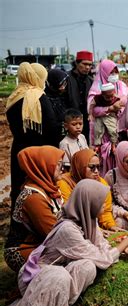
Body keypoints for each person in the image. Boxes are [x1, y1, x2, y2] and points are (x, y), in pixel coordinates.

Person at [0, 180, 128, 306]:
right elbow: (103, 258)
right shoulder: (68, 230)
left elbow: (101, 249)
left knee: (88, 266)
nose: (105, 206)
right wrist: (127, 241)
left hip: (61, 271)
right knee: (61, 276)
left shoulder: (89, 220)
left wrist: (121, 251)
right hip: (39, 279)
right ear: (88, 203)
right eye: (101, 202)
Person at [3, 146, 64, 272]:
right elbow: (53, 232)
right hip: (23, 249)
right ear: (44, 167)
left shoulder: (49, 188)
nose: (62, 169)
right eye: (58, 165)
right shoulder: (33, 197)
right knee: (68, 258)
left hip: (41, 242)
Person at [6, 62, 59, 205]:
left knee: (19, 186)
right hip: (38, 151)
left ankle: (18, 221)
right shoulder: (39, 97)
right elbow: (52, 126)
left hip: (19, 148)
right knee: (38, 188)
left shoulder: (14, 96)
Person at [57, 149, 122, 232]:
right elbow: (69, 214)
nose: (96, 171)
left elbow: (105, 211)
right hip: (72, 229)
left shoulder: (101, 183)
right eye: (92, 167)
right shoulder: (64, 183)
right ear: (80, 166)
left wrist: (111, 226)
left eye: (98, 167)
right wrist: (96, 230)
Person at [88, 59, 128, 175]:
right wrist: (110, 109)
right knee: (105, 162)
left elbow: (126, 103)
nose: (114, 76)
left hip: (120, 127)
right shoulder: (96, 89)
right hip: (103, 133)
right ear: (104, 73)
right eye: (111, 73)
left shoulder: (121, 86)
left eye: (116, 72)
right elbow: (92, 109)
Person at [66, 50, 94, 142]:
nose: (87, 67)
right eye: (84, 64)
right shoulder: (67, 78)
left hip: (85, 122)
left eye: (90, 65)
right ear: (76, 63)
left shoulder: (90, 81)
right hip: (70, 121)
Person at [89, 82, 121, 153]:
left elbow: (120, 108)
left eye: (111, 96)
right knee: (97, 130)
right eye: (107, 97)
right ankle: (97, 145)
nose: (110, 98)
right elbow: (92, 105)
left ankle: (113, 144)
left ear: (114, 92)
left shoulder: (116, 99)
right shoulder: (97, 98)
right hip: (99, 117)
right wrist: (90, 114)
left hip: (110, 116)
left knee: (113, 130)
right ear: (102, 94)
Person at [45, 68, 70, 146]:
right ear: (55, 83)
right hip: (52, 139)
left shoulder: (60, 96)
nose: (64, 87)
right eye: (62, 84)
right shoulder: (46, 99)